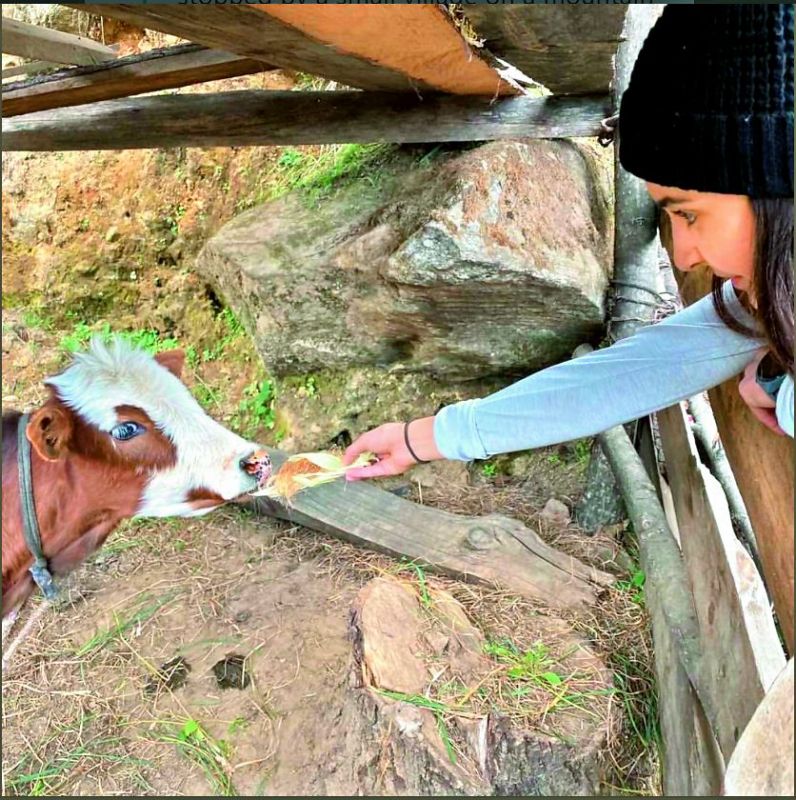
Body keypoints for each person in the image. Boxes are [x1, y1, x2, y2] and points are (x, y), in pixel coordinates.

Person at [342, 4, 794, 482]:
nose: (683, 255)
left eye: (688, 213)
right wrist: (428, 437)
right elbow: (638, 371)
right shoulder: (763, 291)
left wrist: (778, 388)